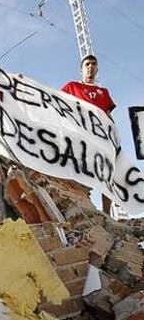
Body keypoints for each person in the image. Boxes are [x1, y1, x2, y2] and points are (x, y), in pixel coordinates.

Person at [62, 53, 116, 214]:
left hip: (101, 138)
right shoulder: (72, 87)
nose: (90, 67)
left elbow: (108, 116)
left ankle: (107, 214)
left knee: (106, 175)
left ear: (97, 68)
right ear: (81, 70)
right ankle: (84, 209)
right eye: (87, 64)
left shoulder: (103, 92)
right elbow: (58, 105)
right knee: (79, 172)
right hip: (80, 137)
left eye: (93, 64)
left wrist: (113, 135)